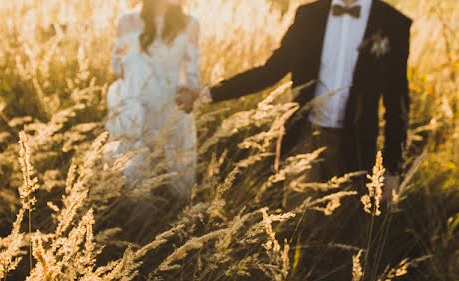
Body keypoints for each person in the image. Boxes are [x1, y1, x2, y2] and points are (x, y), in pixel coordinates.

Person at [186, 0, 411, 201]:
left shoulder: (393, 22)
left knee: (344, 229)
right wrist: (208, 93)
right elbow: (271, 71)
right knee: (298, 225)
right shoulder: (309, 15)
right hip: (303, 136)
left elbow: (397, 101)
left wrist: (392, 168)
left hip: (356, 144)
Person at [105, 0, 201, 201]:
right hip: (138, 103)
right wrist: (134, 67)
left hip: (171, 102)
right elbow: (116, 66)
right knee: (135, 161)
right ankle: (138, 212)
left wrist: (188, 93)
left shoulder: (190, 23)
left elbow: (192, 73)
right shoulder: (127, 20)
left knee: (176, 170)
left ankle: (177, 213)